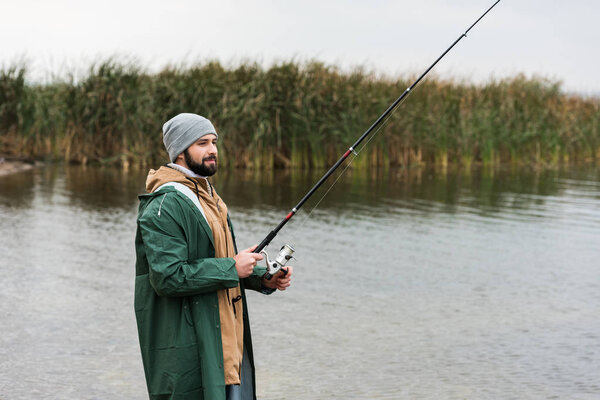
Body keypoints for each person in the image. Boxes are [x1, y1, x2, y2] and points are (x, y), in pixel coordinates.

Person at [134, 113, 293, 400]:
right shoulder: (165, 205)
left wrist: (262, 279)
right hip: (194, 345)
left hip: (227, 342)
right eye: (202, 143)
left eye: (214, 142)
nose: (212, 150)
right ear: (180, 152)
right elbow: (168, 277)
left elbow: (220, 260)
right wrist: (232, 267)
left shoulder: (210, 196)